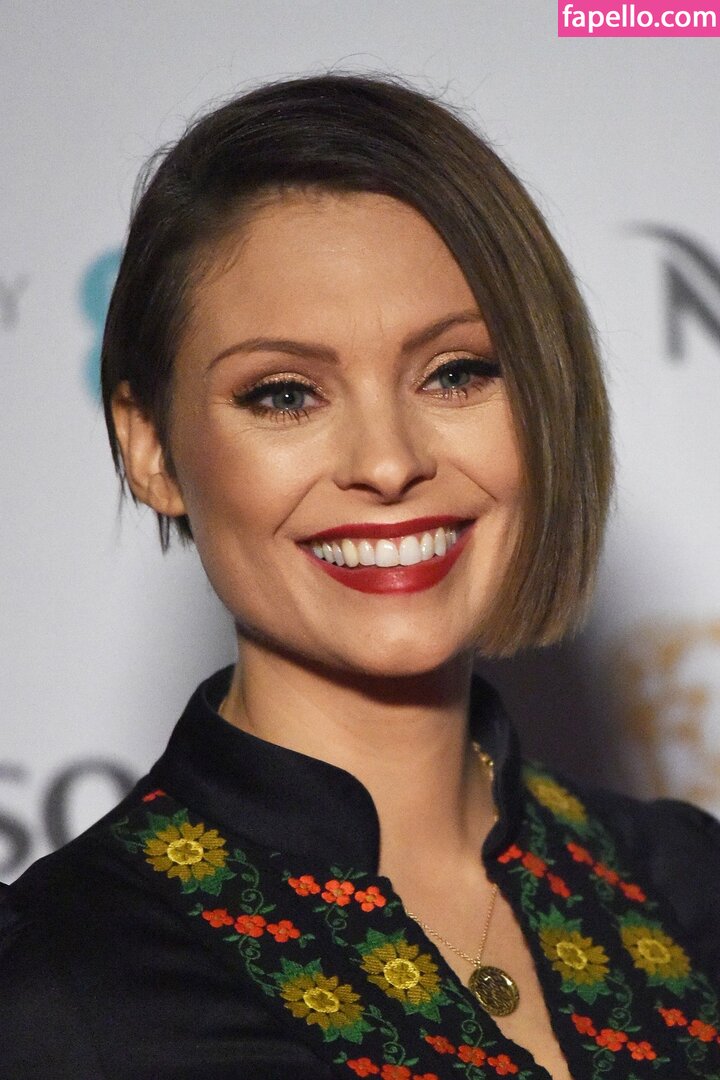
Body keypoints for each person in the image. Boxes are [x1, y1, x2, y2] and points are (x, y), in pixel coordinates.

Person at [1, 73, 719, 1080]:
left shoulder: (689, 884)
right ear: (150, 446)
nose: (387, 463)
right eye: (285, 394)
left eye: (456, 373)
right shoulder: (63, 981)